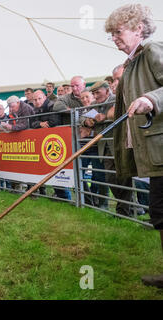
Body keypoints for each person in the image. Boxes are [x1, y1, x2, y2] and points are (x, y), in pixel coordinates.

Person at [105, 3, 163, 288]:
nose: (114, 37)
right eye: (111, 34)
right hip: (155, 155)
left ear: (138, 27)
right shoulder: (130, 64)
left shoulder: (153, 51)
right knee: (160, 212)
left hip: (161, 150)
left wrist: (152, 99)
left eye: (118, 31)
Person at [83, 81, 133, 216]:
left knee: (123, 177)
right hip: (103, 146)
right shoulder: (94, 105)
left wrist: (105, 117)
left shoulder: (116, 99)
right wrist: (87, 121)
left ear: (106, 90)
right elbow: (82, 117)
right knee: (111, 178)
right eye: (93, 93)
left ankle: (123, 211)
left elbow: (121, 113)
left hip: (118, 143)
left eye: (97, 92)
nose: (95, 95)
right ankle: (130, 207)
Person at [31, 90, 69, 199]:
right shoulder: (36, 109)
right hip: (46, 144)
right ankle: (60, 195)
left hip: (58, 142)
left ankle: (66, 197)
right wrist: (40, 124)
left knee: (60, 170)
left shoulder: (52, 105)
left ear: (44, 97)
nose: (37, 101)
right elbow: (32, 123)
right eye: (35, 100)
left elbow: (54, 121)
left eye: (39, 98)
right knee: (51, 170)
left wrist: (41, 124)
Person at [79, 89, 106, 208]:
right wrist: (85, 123)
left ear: (92, 96)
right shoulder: (79, 111)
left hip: (96, 146)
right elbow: (78, 124)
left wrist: (91, 127)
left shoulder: (99, 107)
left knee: (99, 175)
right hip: (83, 145)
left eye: (87, 97)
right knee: (79, 173)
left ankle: (102, 203)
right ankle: (89, 200)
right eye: (82, 98)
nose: (85, 100)